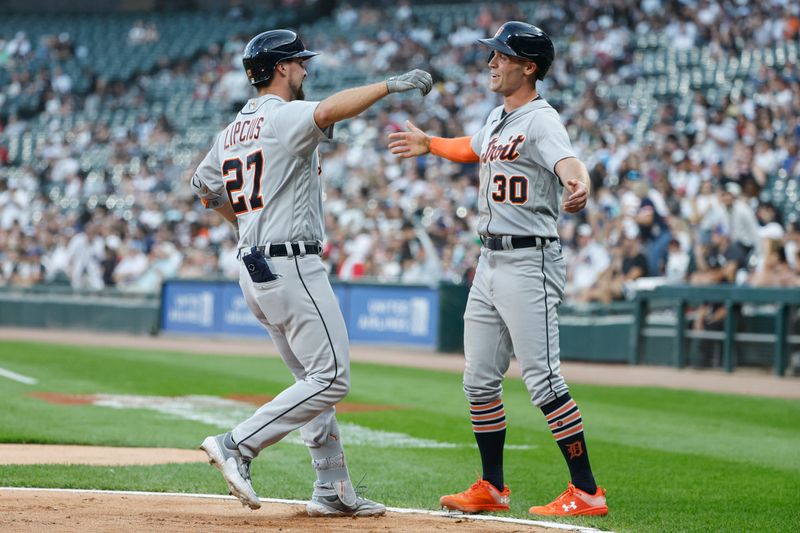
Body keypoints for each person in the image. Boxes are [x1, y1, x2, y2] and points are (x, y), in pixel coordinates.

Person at [191, 29, 432, 517]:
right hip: (290, 264)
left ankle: (331, 487)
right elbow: (327, 111)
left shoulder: (231, 130)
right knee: (333, 377)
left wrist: (245, 224)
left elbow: (204, 188)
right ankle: (237, 444)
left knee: (311, 379)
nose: (305, 69)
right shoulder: (282, 115)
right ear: (281, 68)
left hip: (253, 267)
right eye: (299, 62)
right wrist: (388, 86)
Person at [388, 21, 606, 517]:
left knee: (544, 380)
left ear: (529, 67)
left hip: (531, 258)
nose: (491, 62)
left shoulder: (542, 119)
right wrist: (431, 144)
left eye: (502, 56)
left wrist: (579, 184)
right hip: (489, 260)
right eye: (492, 54)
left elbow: (569, 161)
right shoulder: (498, 117)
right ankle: (492, 486)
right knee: (479, 379)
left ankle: (588, 490)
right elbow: (473, 146)